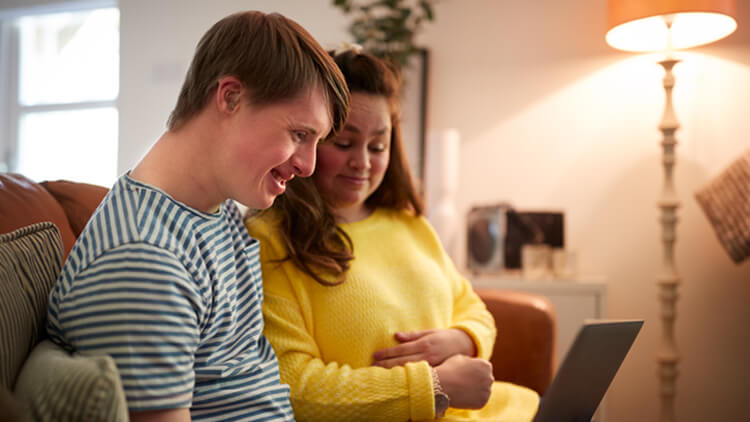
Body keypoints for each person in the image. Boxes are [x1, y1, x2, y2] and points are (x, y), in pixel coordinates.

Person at [46, 11, 349, 422]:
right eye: (299, 134)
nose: (310, 166)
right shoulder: (143, 262)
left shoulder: (212, 211)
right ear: (230, 97)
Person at [246, 47, 539, 421]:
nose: (363, 162)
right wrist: (432, 386)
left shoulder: (409, 224)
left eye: (378, 146)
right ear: (309, 138)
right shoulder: (269, 240)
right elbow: (293, 386)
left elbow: (474, 310)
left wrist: (463, 339)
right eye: (345, 143)